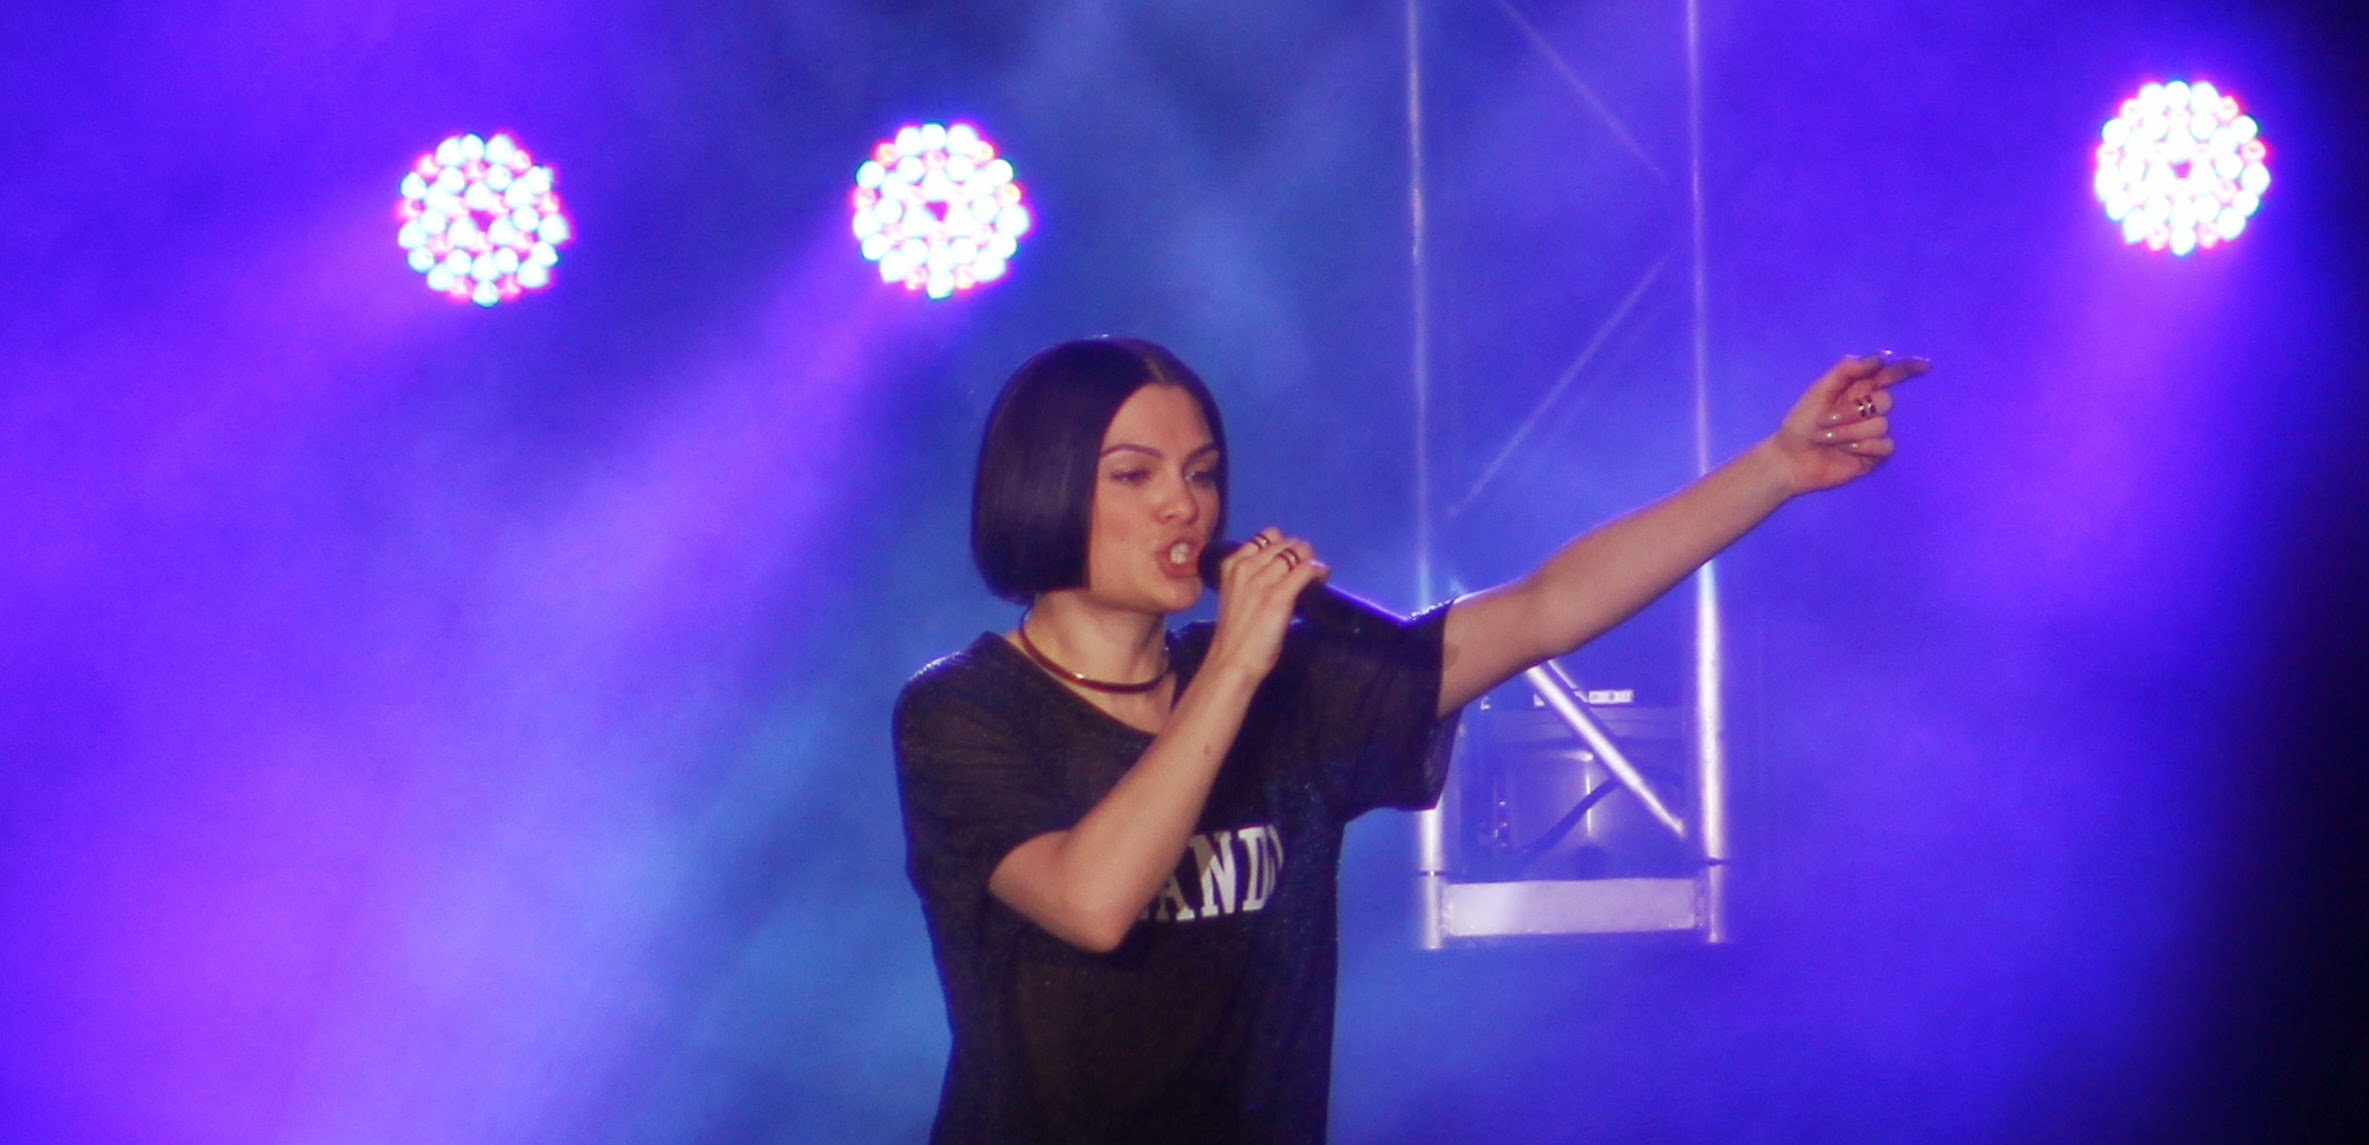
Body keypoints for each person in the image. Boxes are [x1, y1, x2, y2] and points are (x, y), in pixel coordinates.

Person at [894, 336, 1925, 1143]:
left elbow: (1542, 609)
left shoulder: (1275, 684)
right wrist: (1235, 667)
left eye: (1201, 473)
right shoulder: (962, 712)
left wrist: (1772, 468)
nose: (1184, 503)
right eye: (1134, 474)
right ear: (1043, 484)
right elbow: (1091, 901)